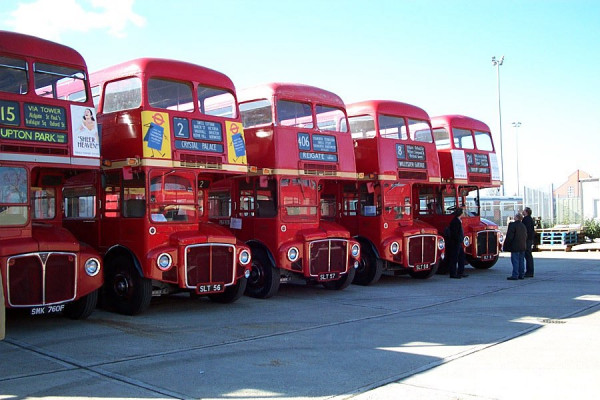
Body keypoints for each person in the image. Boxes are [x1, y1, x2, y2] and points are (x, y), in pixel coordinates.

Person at [504, 213, 528, 280]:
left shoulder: (512, 225)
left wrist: (506, 245)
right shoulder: (523, 225)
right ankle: (521, 274)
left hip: (515, 246)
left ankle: (515, 275)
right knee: (521, 261)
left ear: (516, 218)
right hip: (522, 245)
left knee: (515, 261)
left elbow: (509, 236)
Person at [445, 207, 467, 279]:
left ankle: (461, 271)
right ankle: (453, 273)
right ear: (460, 213)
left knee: (461, 256)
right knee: (454, 258)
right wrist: (458, 239)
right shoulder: (455, 221)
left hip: (458, 242)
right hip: (455, 243)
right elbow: (454, 233)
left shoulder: (458, 220)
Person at [522, 207, 535, 277]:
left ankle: (529, 272)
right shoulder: (530, 219)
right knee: (528, 255)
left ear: (526, 212)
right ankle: (530, 271)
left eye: (523, 211)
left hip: (527, 240)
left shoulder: (526, 220)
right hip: (529, 239)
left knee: (527, 255)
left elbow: (525, 230)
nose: (522, 212)